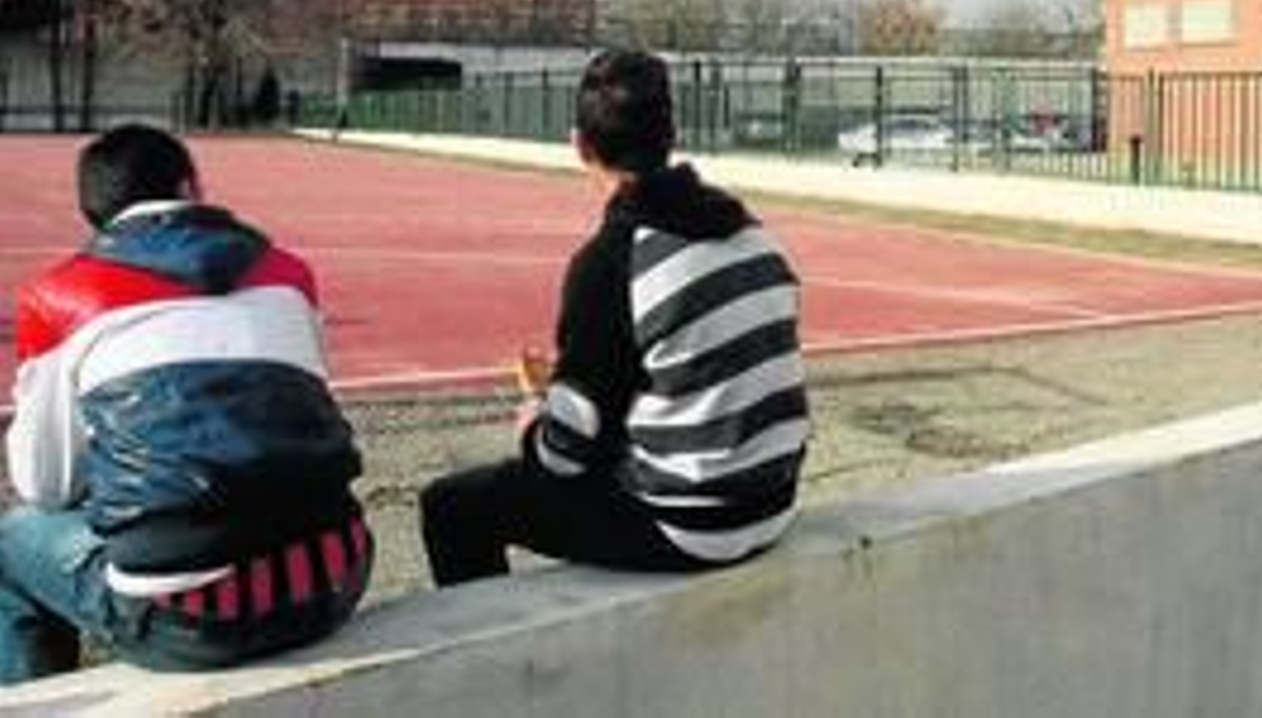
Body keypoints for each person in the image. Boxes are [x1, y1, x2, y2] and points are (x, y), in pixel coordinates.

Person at [420, 49, 809, 585]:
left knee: (453, 507)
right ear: (670, 138)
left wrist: (535, 418)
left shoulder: (611, 263)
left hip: (694, 526)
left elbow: (569, 454)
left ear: (579, 144)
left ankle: (497, 660)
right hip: (772, 501)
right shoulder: (748, 230)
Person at [0, 125, 369, 683]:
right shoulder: (289, 273)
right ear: (191, 187)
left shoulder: (60, 296)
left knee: (13, 541)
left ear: (94, 213)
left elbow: (46, 487)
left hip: (188, 619)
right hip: (334, 580)